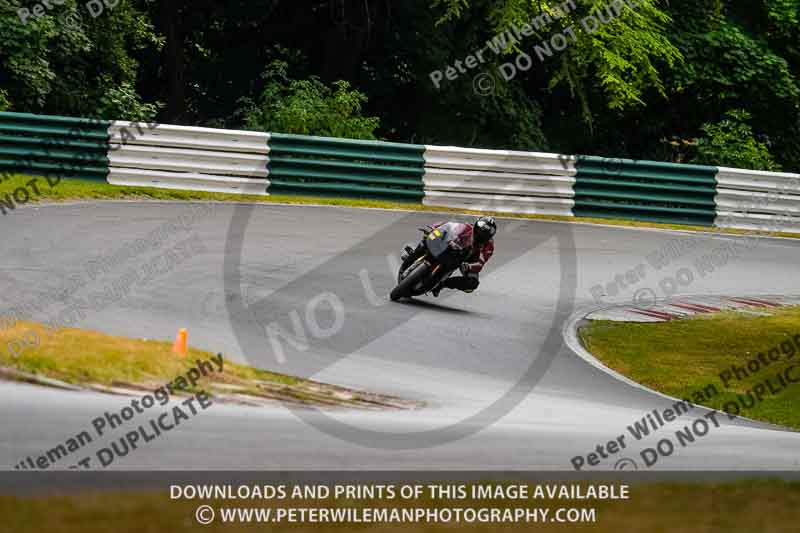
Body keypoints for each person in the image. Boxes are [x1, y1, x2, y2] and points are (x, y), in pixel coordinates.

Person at [400, 216, 497, 297]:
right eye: (483, 227)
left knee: (471, 284)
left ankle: (442, 284)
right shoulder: (466, 228)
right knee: (428, 238)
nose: (484, 230)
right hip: (452, 246)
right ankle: (413, 255)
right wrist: (433, 228)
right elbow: (447, 226)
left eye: (489, 230)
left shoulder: (489, 246)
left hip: (467, 260)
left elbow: (480, 263)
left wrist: (469, 266)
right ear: (476, 225)